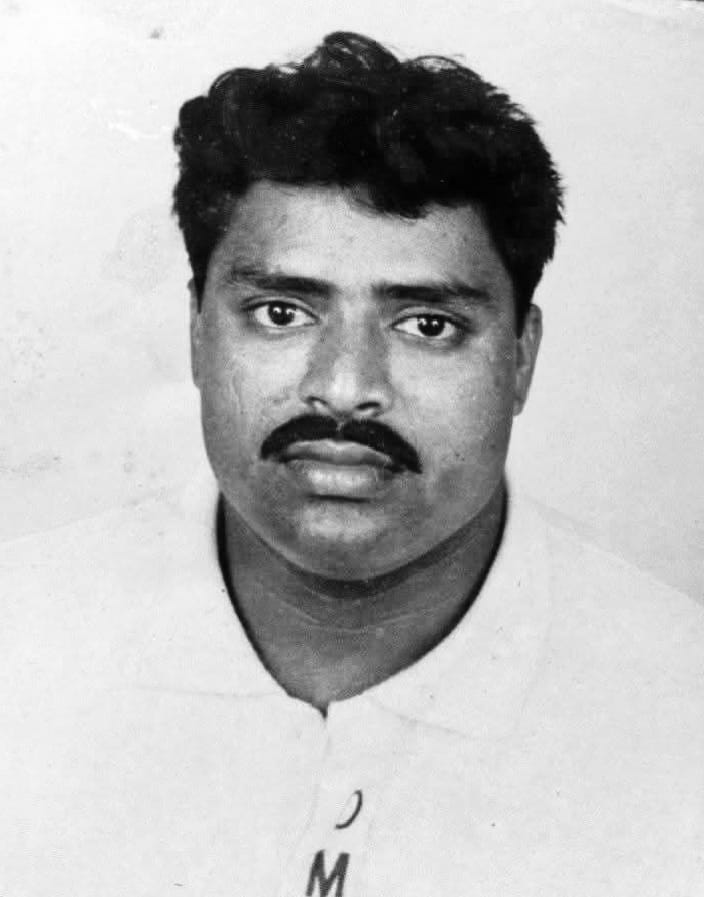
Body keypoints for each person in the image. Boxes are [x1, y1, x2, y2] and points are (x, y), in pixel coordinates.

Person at [1, 31, 703, 897]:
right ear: (196, 330)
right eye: (281, 311)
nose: (344, 387)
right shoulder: (17, 640)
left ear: (521, 357)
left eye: (427, 325)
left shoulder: (683, 710)